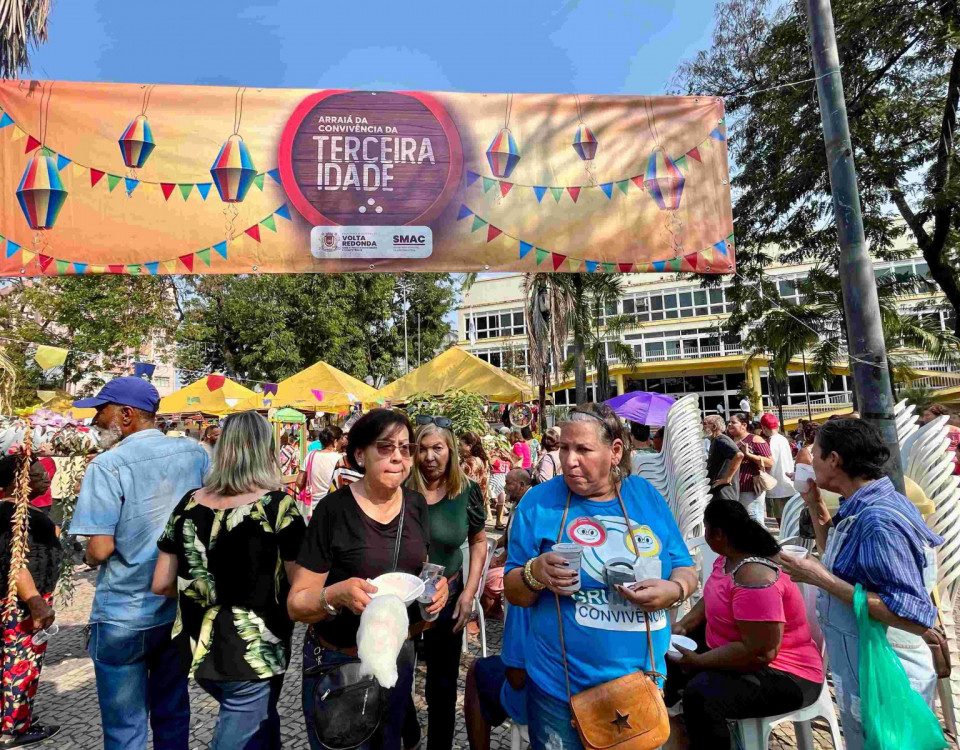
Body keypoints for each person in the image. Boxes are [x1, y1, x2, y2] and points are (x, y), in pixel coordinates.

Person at [504, 403, 698, 750]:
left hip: (639, 684)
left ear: (615, 451)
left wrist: (675, 589)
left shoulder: (645, 497)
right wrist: (535, 573)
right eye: (564, 448)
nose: (569, 460)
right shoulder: (538, 502)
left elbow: (685, 566)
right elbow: (513, 590)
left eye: (583, 449)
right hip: (558, 690)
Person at [287, 409, 449, 750]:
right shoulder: (333, 511)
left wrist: (435, 588)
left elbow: (419, 570)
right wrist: (336, 594)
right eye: (386, 447)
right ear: (360, 455)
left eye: (405, 448)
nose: (398, 457)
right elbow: (297, 603)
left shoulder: (416, 505)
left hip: (396, 656)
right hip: (341, 662)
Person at [778, 418, 943, 750]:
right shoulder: (863, 505)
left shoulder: (878, 520)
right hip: (867, 666)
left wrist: (819, 578)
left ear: (834, 460)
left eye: (815, 455)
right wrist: (814, 503)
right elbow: (843, 560)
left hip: (890, 672)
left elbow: (911, 615)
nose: (810, 462)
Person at [69, 376, 209, 750]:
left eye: (101, 410)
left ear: (127, 415)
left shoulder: (108, 466)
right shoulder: (196, 454)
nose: (95, 420)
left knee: (125, 729)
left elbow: (100, 549)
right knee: (172, 714)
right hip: (177, 610)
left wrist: (85, 556)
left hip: (123, 614)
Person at [152, 411, 306, 749]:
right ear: (266, 451)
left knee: (263, 724)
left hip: (197, 648)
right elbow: (302, 586)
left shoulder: (188, 503)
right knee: (243, 728)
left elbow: (161, 583)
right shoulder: (278, 506)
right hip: (254, 654)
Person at [667, 499, 824, 748]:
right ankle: (673, 724)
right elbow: (712, 598)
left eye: (706, 528)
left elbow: (761, 652)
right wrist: (684, 625)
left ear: (718, 534)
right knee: (668, 652)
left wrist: (700, 661)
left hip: (787, 674)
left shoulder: (755, 578)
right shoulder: (728, 557)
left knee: (702, 694)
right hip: (740, 650)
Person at [405, 418, 488, 750]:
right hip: (404, 594)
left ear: (451, 450)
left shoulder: (466, 490)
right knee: (394, 675)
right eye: (423, 449)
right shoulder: (402, 487)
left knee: (441, 684)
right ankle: (408, 733)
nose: (430, 457)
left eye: (437, 448)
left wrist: (469, 593)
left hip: (449, 592)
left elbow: (479, 542)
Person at [0, 454, 62, 747]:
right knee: (21, 663)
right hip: (23, 604)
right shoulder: (18, 516)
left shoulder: (12, 511)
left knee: (9, 661)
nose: (45, 478)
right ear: (19, 481)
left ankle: (10, 718)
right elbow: (15, 562)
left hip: (16, 600)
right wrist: (35, 600)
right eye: (37, 474)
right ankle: (13, 729)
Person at [464, 604, 530, 750]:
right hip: (581, 705)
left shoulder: (524, 596)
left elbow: (516, 678)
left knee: (477, 670)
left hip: (542, 707)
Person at [480, 469, 531, 619]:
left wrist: (500, 558)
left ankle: (488, 612)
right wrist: (489, 544)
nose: (504, 487)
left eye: (508, 483)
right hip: (513, 562)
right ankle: (494, 610)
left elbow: (521, 541)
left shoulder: (529, 504)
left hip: (521, 568)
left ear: (521, 485)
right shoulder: (518, 502)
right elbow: (508, 535)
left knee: (484, 575)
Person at [727, 412, 773, 524]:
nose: (729, 425)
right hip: (734, 490)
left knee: (753, 522)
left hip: (750, 490)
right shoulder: (730, 441)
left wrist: (749, 455)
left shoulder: (755, 439)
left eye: (733, 422)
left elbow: (770, 462)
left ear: (744, 425)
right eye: (729, 422)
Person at [760, 413, 795, 521]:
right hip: (789, 484)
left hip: (776, 487)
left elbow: (769, 463)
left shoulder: (770, 442)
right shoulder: (783, 439)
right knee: (790, 519)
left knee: (781, 521)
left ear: (764, 427)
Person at [297, 425, 344, 504]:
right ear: (335, 441)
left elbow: (299, 482)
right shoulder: (339, 459)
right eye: (341, 439)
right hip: (329, 505)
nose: (342, 442)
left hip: (309, 504)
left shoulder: (311, 455)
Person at [704, 414, 741, 502]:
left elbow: (739, 455)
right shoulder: (715, 441)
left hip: (724, 493)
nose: (702, 427)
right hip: (718, 492)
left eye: (705, 424)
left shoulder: (721, 440)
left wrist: (727, 478)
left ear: (714, 426)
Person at [921, 403, 960, 475]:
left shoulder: (956, 432)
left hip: (952, 469)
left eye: (927, 415)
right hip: (931, 470)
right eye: (924, 415)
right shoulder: (924, 434)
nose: (924, 419)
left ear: (940, 416)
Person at [459, 432, 490, 502]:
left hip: (469, 501)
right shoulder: (483, 460)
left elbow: (462, 484)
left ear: (469, 446)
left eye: (460, 445)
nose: (459, 448)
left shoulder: (469, 463)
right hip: (479, 500)